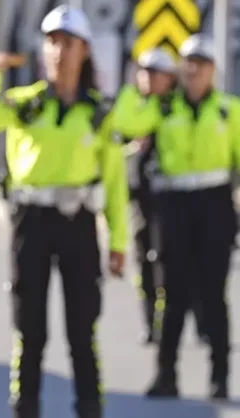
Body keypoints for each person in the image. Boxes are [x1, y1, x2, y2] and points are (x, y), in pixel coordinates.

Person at [0, 6, 128, 418]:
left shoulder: (97, 112)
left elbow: (114, 184)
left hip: (79, 225)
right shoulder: (26, 104)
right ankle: (26, 411)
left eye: (68, 43)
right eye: (52, 41)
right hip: (31, 223)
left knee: (82, 330)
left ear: (84, 51)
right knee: (30, 329)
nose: (59, 50)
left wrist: (120, 243)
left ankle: (89, 411)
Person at [114, 34, 238, 400]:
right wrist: (141, 89)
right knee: (172, 294)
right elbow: (125, 122)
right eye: (188, 62)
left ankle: (220, 378)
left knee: (214, 296)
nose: (193, 69)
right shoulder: (163, 108)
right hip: (174, 208)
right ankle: (165, 376)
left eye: (200, 63)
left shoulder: (229, 111)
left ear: (213, 70)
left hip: (215, 206)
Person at [123, 48, 180, 345]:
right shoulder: (132, 103)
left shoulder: (176, 108)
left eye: (155, 73)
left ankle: (177, 320)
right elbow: (119, 130)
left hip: (173, 200)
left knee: (172, 261)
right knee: (144, 259)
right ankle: (150, 321)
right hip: (140, 198)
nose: (148, 78)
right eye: (144, 72)